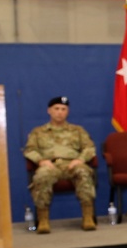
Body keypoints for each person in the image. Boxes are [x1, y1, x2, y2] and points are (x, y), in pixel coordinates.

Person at [23, 96, 97, 234]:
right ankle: (43, 220)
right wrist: (41, 161)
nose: (60, 112)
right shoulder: (38, 132)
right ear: (49, 111)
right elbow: (29, 150)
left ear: (67, 112)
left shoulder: (78, 130)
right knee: (42, 175)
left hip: (72, 164)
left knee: (83, 172)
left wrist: (80, 160)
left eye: (63, 109)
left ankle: (88, 217)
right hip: (50, 165)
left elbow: (90, 148)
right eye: (56, 109)